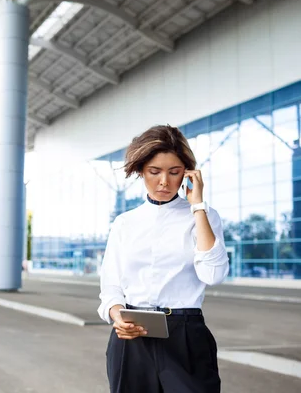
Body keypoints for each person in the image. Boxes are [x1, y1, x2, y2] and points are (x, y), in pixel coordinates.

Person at [98, 125, 229, 393]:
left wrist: (198, 206)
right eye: (154, 172)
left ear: (188, 173)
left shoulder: (203, 216)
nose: (164, 182)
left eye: (174, 172)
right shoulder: (125, 223)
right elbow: (110, 287)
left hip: (185, 336)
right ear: (140, 171)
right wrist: (116, 316)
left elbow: (213, 275)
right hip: (132, 337)